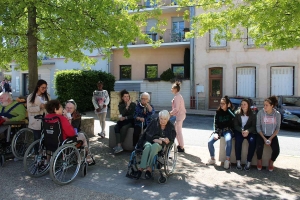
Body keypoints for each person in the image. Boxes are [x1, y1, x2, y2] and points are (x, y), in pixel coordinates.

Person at [134, 110, 176, 179]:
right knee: (147, 147)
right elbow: (148, 134)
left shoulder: (170, 126)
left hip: (159, 145)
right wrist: (160, 138)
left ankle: (149, 169)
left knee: (155, 146)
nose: (162, 121)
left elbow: (171, 140)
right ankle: (141, 169)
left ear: (168, 119)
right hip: (148, 141)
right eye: (161, 118)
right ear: (159, 118)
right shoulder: (154, 122)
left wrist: (161, 141)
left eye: (165, 119)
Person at [207, 96, 235, 169]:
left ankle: (227, 160)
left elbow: (234, 117)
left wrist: (228, 109)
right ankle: (212, 159)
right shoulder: (218, 112)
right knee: (210, 142)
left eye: (223, 103)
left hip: (227, 130)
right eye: (221, 103)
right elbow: (215, 123)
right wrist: (216, 132)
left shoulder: (230, 111)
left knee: (228, 140)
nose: (221, 105)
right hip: (219, 130)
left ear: (227, 104)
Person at [256, 96, 281, 172]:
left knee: (276, 150)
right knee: (259, 148)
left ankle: (271, 162)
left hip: (272, 135)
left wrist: (270, 138)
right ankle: (259, 160)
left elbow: (277, 128)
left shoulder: (277, 114)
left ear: (272, 106)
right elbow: (258, 126)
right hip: (262, 134)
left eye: (267, 105)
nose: (265, 107)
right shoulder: (261, 113)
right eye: (264, 105)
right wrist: (264, 138)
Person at [233, 99, 257, 171]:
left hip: (249, 131)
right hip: (239, 131)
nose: (243, 106)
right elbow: (235, 125)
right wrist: (242, 130)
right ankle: (238, 161)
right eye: (242, 104)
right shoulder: (237, 113)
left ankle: (248, 162)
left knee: (252, 141)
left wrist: (248, 131)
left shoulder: (253, 114)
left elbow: (254, 126)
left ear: (248, 105)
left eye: (245, 104)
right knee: (238, 141)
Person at [113, 90, 136, 154]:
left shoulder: (133, 105)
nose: (126, 98)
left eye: (128, 96)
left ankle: (119, 145)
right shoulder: (121, 105)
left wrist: (126, 117)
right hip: (123, 120)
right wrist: (126, 107)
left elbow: (133, 115)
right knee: (116, 127)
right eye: (125, 96)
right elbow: (122, 113)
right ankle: (119, 146)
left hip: (130, 121)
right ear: (122, 98)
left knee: (124, 128)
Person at [169, 81, 186, 152]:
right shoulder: (178, 96)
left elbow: (176, 108)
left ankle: (181, 146)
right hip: (180, 115)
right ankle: (180, 145)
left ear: (176, 89)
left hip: (180, 115)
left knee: (178, 131)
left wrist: (170, 113)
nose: (171, 89)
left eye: (172, 88)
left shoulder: (177, 97)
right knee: (176, 130)